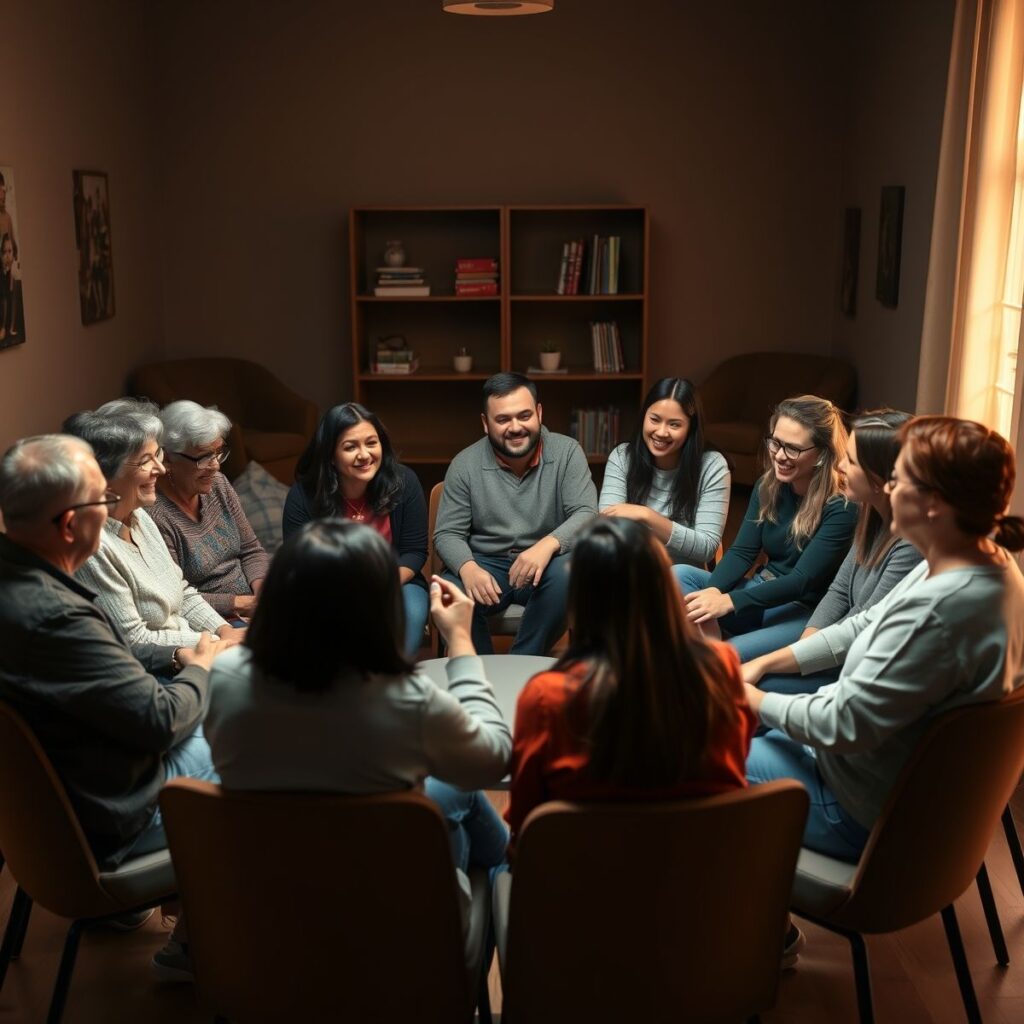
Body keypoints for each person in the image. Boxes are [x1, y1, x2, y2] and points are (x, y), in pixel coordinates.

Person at [743, 416, 1024, 868]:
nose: (888, 488)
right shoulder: (977, 558)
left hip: (857, 809)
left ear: (934, 502)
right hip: (886, 786)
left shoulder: (939, 611)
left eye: (899, 478)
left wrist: (750, 697)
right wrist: (766, 665)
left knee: (701, 756)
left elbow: (839, 723)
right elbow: (864, 623)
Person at [205, 519, 510, 907]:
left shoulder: (228, 677)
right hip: (387, 914)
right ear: (379, 608)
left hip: (273, 907)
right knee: (464, 800)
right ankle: (508, 881)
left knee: (457, 797)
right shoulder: (404, 698)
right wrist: (462, 640)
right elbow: (493, 758)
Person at [0, 435, 219, 967]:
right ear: (72, 524)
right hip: (111, 815)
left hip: (50, 816)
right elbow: (161, 719)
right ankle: (208, 945)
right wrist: (200, 669)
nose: (111, 512)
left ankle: (191, 926)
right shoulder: (57, 620)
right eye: (103, 500)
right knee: (260, 744)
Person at [506, 516, 755, 852]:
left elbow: (525, 823)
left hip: (579, 890)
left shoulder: (547, 697)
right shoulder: (721, 667)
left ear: (580, 602)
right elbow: (732, 773)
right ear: (664, 589)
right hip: (697, 883)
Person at [745, 410, 923, 695]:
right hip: (832, 641)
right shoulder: (871, 514)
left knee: (745, 680)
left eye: (850, 461)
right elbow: (840, 590)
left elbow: (860, 628)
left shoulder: (912, 545)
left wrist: (782, 661)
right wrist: (805, 647)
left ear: (879, 479)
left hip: (856, 668)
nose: (839, 466)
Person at [675, 394, 857, 661]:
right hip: (758, 592)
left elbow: (801, 581)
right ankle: (710, 648)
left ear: (821, 454)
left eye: (792, 448)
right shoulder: (767, 485)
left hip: (798, 610)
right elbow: (742, 552)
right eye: (776, 443)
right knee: (680, 575)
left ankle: (714, 656)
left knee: (725, 655)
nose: (779, 456)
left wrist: (729, 602)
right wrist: (713, 592)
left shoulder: (841, 507)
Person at [434, 372, 598, 655]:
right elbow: (447, 532)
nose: (515, 427)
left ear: (539, 413)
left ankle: (522, 663)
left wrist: (547, 545)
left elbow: (587, 512)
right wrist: (468, 567)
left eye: (524, 416)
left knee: (573, 571)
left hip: (547, 563)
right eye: (503, 419)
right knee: (449, 587)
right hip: (486, 564)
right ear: (486, 423)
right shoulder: (465, 463)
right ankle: (482, 669)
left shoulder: (567, 452)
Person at [64, 408, 244, 654]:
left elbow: (183, 593)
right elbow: (134, 640)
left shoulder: (139, 517)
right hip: (161, 664)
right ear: (103, 475)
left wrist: (225, 630)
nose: (160, 468)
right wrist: (216, 643)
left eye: (157, 454)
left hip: (196, 644)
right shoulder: (93, 545)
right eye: (146, 461)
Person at [283, 402, 428, 656]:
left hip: (395, 581)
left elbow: (414, 552)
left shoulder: (404, 482)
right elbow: (300, 561)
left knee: (411, 612)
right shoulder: (304, 494)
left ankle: (391, 683)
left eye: (371, 443)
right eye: (350, 447)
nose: (365, 455)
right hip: (328, 586)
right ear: (330, 454)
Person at [149, 400, 269, 620]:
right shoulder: (155, 515)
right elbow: (177, 597)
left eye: (218, 453)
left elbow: (251, 549)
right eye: (203, 457)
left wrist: (262, 595)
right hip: (213, 620)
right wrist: (239, 604)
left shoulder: (218, 485)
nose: (215, 465)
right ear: (167, 459)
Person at [598, 377, 729, 567]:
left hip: (682, 576)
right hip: (629, 568)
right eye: (655, 419)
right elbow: (607, 529)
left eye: (674, 424)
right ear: (644, 416)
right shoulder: (622, 457)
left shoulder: (712, 465)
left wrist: (647, 516)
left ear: (690, 428)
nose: (661, 432)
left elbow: (706, 547)